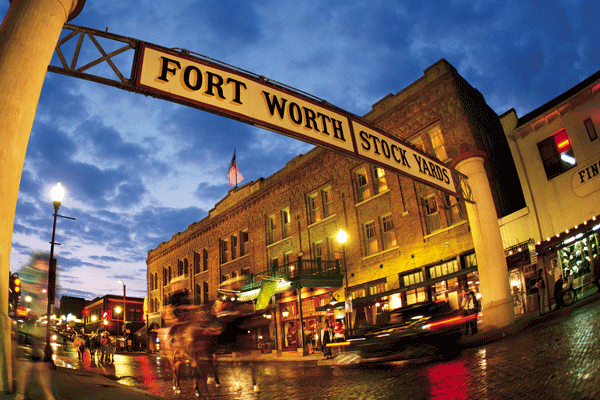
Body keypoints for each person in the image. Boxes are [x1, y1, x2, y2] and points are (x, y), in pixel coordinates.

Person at [14, 252, 56, 400]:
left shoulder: (49, 278)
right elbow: (21, 282)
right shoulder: (29, 271)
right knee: (26, 363)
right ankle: (20, 393)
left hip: (41, 329)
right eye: (42, 263)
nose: (45, 266)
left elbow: (53, 300)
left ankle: (48, 395)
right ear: (37, 261)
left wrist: (51, 301)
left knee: (42, 366)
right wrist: (35, 287)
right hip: (27, 326)